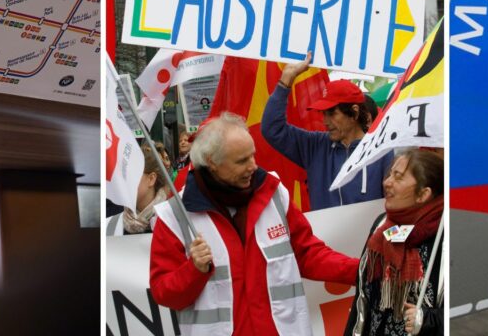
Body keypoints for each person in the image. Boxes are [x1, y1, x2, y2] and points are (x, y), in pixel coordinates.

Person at [150, 112, 359, 335]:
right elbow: (164, 293)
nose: (253, 166)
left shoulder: (273, 192)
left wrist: (363, 270)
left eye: (252, 155)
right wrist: (193, 270)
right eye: (242, 160)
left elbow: (308, 253)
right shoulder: (174, 216)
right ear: (212, 162)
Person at [261, 52, 394, 210]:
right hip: (321, 235)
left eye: (331, 113)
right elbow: (272, 129)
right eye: (323, 114)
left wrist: (387, 236)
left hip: (373, 235)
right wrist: (286, 81)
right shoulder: (315, 146)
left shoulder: (381, 151)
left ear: (355, 112)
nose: (325, 121)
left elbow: (397, 209)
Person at [345, 149, 444, 335]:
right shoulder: (382, 226)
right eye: (390, 174)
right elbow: (362, 298)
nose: (386, 182)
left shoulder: (443, 236)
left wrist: (428, 320)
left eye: (398, 178)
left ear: (423, 194)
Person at [104, 144, 170, 236]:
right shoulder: (108, 226)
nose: (124, 182)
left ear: (151, 179)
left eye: (131, 175)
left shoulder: (173, 223)